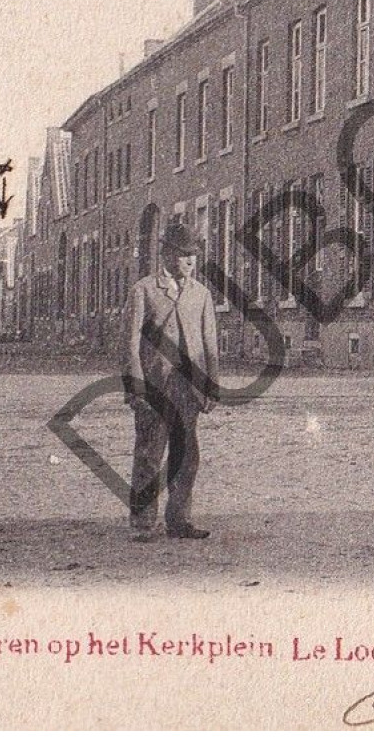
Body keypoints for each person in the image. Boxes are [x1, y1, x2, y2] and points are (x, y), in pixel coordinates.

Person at [122, 223, 220, 541]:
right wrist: (135, 385)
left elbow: (209, 344)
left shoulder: (202, 295)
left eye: (194, 255)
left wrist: (211, 385)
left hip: (187, 387)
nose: (191, 261)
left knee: (187, 455)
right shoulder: (144, 290)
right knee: (150, 452)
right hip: (154, 384)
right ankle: (143, 522)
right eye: (184, 255)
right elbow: (130, 342)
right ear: (167, 255)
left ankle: (179, 519)